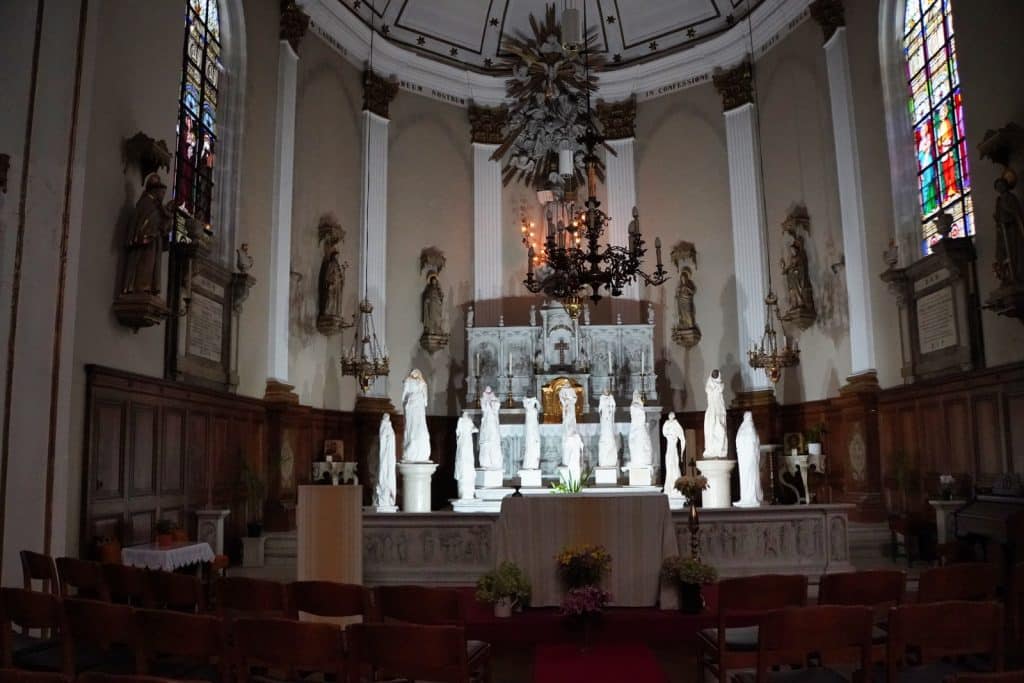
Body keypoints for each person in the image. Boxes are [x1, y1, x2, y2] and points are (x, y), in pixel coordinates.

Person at [122, 173, 172, 295]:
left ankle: (148, 286)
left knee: (152, 266)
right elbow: (137, 223)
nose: (163, 195)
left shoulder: (158, 207)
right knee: (145, 264)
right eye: (161, 192)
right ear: (155, 190)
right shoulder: (145, 203)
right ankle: (140, 287)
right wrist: (139, 236)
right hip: (145, 242)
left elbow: (163, 225)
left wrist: (165, 225)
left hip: (155, 241)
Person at [401, 370, 431, 462]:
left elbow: (425, 396)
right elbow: (405, 394)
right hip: (413, 406)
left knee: (419, 425)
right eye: (414, 373)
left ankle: (420, 450)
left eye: (416, 373)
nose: (415, 375)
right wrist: (405, 403)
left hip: (417, 405)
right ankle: (412, 447)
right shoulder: (410, 382)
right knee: (411, 426)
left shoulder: (420, 383)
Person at [735, 411, 763, 507]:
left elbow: (755, 444)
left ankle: (752, 497)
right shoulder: (742, 429)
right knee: (744, 478)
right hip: (744, 458)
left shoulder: (751, 429)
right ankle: (745, 497)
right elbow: (738, 442)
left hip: (750, 458)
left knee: (751, 477)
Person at [703, 370, 728, 458]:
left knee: (720, 430)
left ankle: (720, 450)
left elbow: (719, 389)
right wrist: (714, 388)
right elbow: (709, 390)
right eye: (713, 374)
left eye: (716, 374)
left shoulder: (721, 385)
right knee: (710, 429)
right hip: (711, 410)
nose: (715, 375)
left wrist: (715, 387)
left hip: (719, 410)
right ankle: (711, 450)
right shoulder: (708, 385)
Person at [374, 414, 396, 508]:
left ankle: (388, 498)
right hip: (384, 456)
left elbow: (391, 441)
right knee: (383, 472)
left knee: (389, 473)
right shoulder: (383, 428)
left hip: (389, 457)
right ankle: (383, 498)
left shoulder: (391, 431)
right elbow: (382, 440)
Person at [478, 386, 503, 471]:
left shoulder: (496, 400)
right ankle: (486, 462)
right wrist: (486, 402)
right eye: (486, 393)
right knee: (486, 443)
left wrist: (492, 403)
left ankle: (495, 462)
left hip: (493, 423)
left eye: (489, 393)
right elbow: (484, 409)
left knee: (493, 442)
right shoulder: (483, 400)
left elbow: (496, 408)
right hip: (486, 424)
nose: (488, 394)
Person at [454, 412, 478, 500]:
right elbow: (458, 432)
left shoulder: (468, 421)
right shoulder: (461, 421)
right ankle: (463, 493)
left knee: (468, 461)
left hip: (467, 442)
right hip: (463, 443)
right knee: (463, 459)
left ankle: (469, 492)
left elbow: (475, 429)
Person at [662, 412, 686, 497]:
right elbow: (664, 432)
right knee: (669, 466)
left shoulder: (676, 424)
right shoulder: (666, 423)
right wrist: (668, 429)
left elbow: (682, 438)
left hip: (674, 449)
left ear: (674, 416)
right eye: (669, 415)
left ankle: (676, 487)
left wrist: (682, 453)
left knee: (674, 466)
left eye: (672, 415)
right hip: (669, 449)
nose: (670, 417)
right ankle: (669, 487)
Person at [628, 390, 652, 467]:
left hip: (641, 426)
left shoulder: (640, 405)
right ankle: (636, 460)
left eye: (637, 395)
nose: (637, 397)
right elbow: (633, 417)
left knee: (643, 442)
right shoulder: (633, 406)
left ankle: (642, 460)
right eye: (635, 395)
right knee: (635, 443)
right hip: (636, 427)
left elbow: (642, 416)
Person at [597, 388, 618, 468]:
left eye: (607, 391)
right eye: (604, 391)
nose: (606, 392)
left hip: (609, 415)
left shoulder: (611, 397)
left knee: (609, 429)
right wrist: (602, 413)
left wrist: (611, 409)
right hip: (604, 416)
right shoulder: (602, 398)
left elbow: (613, 405)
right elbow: (600, 408)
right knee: (604, 428)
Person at [521, 396, 541, 470]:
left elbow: (539, 408)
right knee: (530, 442)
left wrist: (536, 402)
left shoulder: (534, 408)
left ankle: (534, 463)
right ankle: (529, 463)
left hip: (535, 428)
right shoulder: (528, 406)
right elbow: (525, 404)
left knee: (535, 443)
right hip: (530, 428)